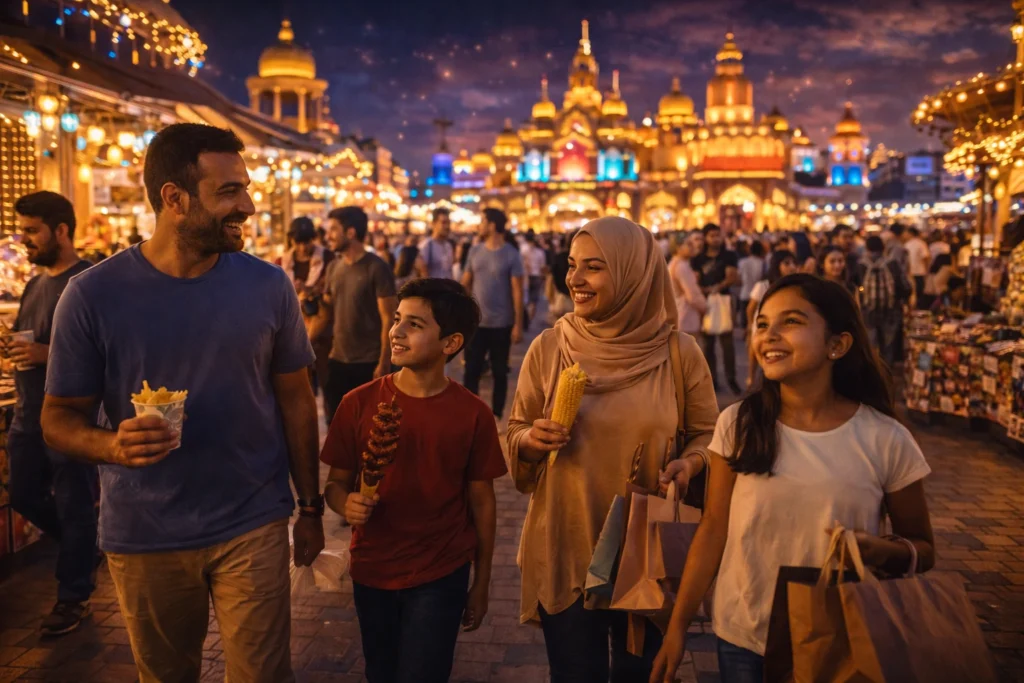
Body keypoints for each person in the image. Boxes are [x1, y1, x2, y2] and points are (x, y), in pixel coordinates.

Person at [40, 123, 324, 682]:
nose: (247, 204)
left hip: (254, 518)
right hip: (146, 531)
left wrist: (309, 507)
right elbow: (58, 419)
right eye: (228, 193)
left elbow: (296, 399)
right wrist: (112, 445)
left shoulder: (268, 286)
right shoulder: (93, 295)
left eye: (245, 188)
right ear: (174, 199)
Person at [651, 274, 935, 683]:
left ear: (837, 344)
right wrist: (677, 628)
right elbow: (714, 529)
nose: (770, 335)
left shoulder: (885, 439)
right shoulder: (739, 423)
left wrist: (882, 551)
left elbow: (923, 549)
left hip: (837, 638)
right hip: (743, 634)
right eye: (763, 324)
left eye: (791, 322)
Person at [507, 217, 719, 682]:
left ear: (634, 273)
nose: (575, 280)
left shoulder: (678, 353)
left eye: (594, 268)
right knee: (573, 673)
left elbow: (709, 434)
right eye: (571, 265)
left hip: (647, 551)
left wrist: (692, 461)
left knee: (639, 673)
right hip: (567, 538)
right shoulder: (550, 347)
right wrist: (529, 440)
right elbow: (515, 429)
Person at [321, 278, 506, 683]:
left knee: (424, 672)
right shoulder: (359, 403)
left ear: (451, 343)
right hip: (372, 566)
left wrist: (483, 580)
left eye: (415, 325)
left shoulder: (473, 414)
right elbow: (335, 485)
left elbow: (483, 501)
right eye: (398, 320)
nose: (397, 331)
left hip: (441, 570)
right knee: (381, 670)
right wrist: (345, 502)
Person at [6, 191, 97, 636]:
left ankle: (73, 595)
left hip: (69, 417)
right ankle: (84, 548)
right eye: (21, 229)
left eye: (31, 230)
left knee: (75, 503)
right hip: (28, 414)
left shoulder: (88, 284)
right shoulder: (34, 284)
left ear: (61, 231)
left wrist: (44, 353)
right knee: (22, 494)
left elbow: (103, 354)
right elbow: (30, 344)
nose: (24, 239)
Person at [311, 206, 398, 425]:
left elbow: (389, 318)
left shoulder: (377, 268)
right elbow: (327, 311)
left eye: (333, 230)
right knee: (338, 428)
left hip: (369, 363)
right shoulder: (333, 267)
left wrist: (384, 363)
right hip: (337, 361)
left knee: (370, 431)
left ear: (350, 233)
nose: (327, 236)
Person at [461, 208, 524, 419]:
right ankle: (470, 414)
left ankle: (496, 415)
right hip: (476, 324)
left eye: (483, 221)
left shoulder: (511, 254)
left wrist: (518, 324)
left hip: (501, 324)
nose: (480, 225)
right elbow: (466, 283)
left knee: (499, 372)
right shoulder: (475, 251)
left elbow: (517, 290)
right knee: (471, 371)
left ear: (493, 225)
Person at [692, 223, 741, 394]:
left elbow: (732, 277)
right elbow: (696, 279)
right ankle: (711, 380)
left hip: (724, 301)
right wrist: (704, 291)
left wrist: (714, 289)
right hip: (706, 303)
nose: (716, 238)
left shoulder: (729, 255)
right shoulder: (698, 258)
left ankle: (731, 378)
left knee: (727, 342)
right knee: (708, 344)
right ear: (705, 237)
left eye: (718, 235)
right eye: (712, 235)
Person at [745, 249, 798, 388]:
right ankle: (751, 378)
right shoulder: (763, 285)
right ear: (777, 265)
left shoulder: (794, 287)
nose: (791, 266)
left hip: (784, 327)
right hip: (762, 325)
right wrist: (751, 326)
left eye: (793, 263)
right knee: (756, 352)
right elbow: (751, 308)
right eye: (786, 263)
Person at [858, 235, 910, 366]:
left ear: (867, 248)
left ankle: (873, 375)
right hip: (891, 312)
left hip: (868, 312)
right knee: (888, 347)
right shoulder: (892, 264)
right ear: (883, 248)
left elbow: (855, 288)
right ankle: (887, 375)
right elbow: (904, 287)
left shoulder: (861, 265)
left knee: (871, 347)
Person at [669, 234, 707, 335]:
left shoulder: (674, 264)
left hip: (678, 315)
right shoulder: (681, 266)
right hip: (686, 317)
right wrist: (705, 307)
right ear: (678, 247)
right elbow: (692, 295)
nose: (693, 247)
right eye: (689, 244)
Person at [520, 230, 549, 330]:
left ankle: (526, 319)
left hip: (525, 277)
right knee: (534, 300)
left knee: (525, 298)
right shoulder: (540, 252)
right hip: (536, 276)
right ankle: (529, 319)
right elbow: (543, 267)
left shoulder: (522, 249)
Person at [416, 207, 454, 279]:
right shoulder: (426, 246)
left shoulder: (448, 246)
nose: (447, 226)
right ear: (433, 224)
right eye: (443, 223)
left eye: (448, 223)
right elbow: (423, 274)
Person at [737, 241, 765, 329]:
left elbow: (739, 278)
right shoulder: (763, 263)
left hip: (744, 293)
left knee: (745, 324)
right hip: (758, 296)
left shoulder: (742, 262)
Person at [546, 233, 573, 323]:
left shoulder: (559, 257)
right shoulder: (586, 259)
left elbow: (551, 280)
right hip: (576, 300)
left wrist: (551, 300)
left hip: (561, 298)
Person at [903, 226, 931, 308]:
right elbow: (926, 258)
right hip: (919, 273)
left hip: (911, 273)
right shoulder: (921, 243)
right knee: (919, 294)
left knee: (912, 294)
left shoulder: (907, 244)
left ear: (911, 233)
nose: (905, 235)